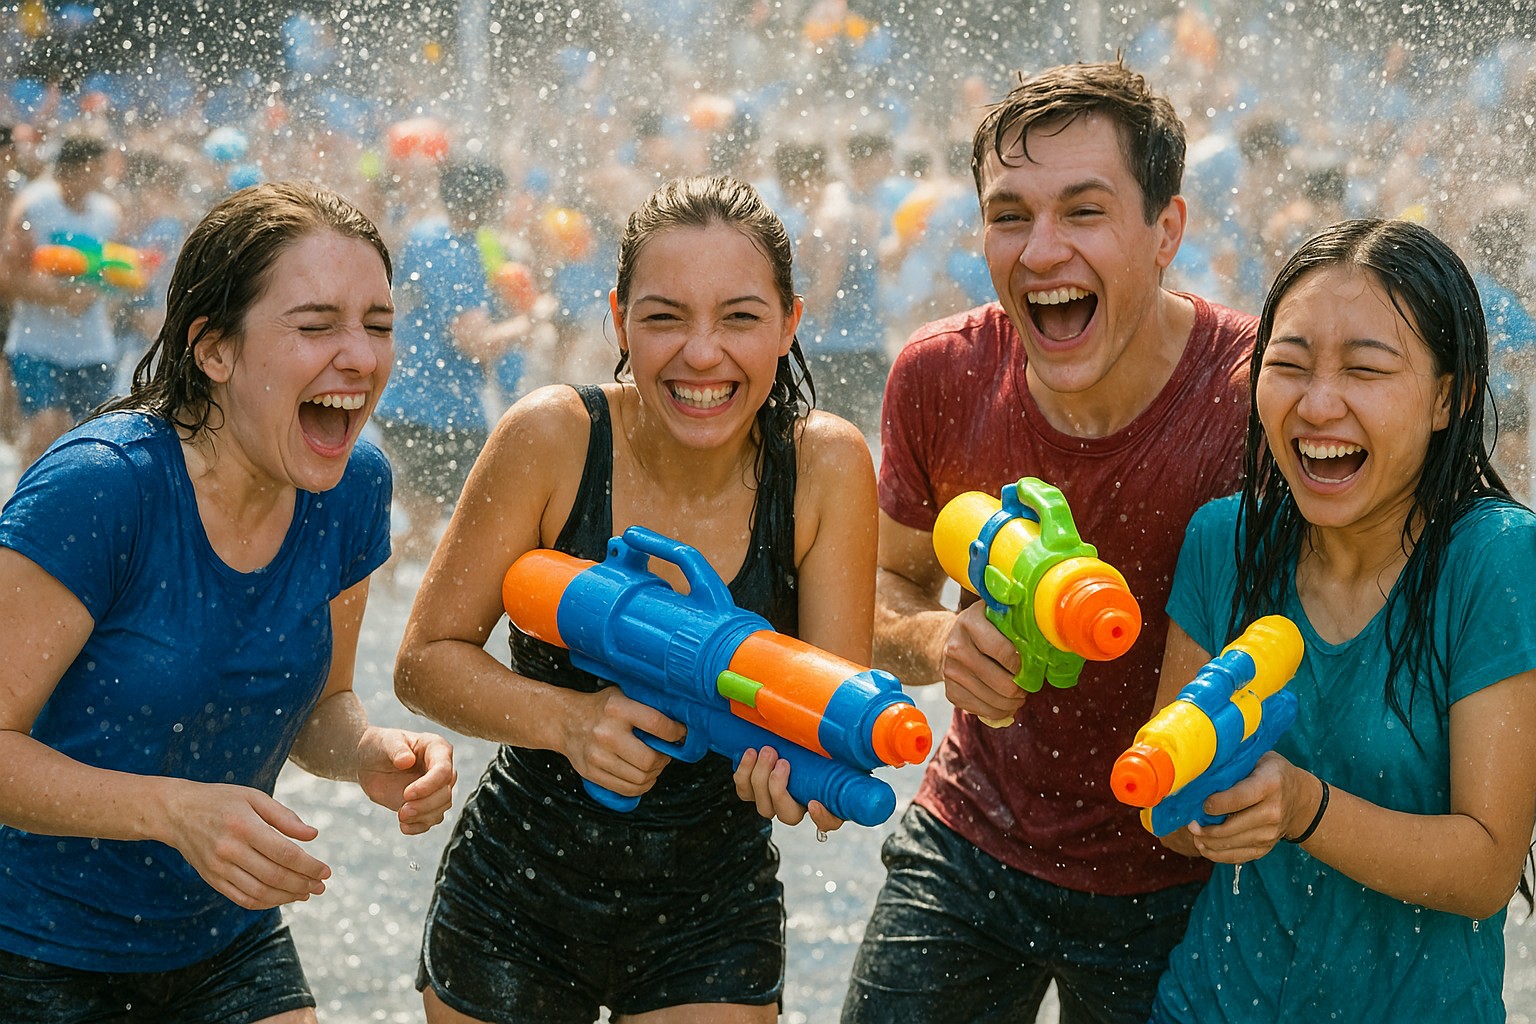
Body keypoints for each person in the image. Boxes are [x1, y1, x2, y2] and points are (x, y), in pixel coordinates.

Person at [395, 174, 878, 1023]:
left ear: (790, 323)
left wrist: (801, 784)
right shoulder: (551, 437)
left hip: (711, 909)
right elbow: (424, 663)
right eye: (664, 317)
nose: (701, 353)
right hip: (517, 895)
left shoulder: (825, 469)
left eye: (739, 317)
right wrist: (570, 724)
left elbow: (836, 733)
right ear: (618, 319)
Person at [841, 60, 1258, 1023]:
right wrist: (937, 645)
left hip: (1178, 876)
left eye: (1083, 210)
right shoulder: (940, 376)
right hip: (971, 842)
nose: (1040, 251)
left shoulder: (1252, 395)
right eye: (1009, 214)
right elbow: (879, 595)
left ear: (1166, 233)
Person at [0, 180, 457, 1023]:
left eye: (378, 325)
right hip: (33, 949)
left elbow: (325, 705)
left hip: (225, 941)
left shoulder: (351, 488)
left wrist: (368, 753)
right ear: (212, 348)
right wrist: (172, 811)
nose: (359, 355)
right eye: (316, 326)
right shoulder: (101, 491)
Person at [1148, 217, 1536, 1021]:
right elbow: (1167, 813)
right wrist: (1199, 805)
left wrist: (1300, 808)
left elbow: (1487, 868)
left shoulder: (1496, 560)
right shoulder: (1225, 541)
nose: (1318, 404)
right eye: (1287, 365)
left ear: (1449, 397)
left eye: (1366, 370)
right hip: (1208, 1006)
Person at [376, 158, 541, 567]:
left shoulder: (428, 235)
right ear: (488, 200)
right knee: (443, 528)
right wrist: (529, 323)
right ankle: (391, 597)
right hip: (440, 413)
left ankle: (382, 593)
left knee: (417, 520)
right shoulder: (456, 254)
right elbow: (475, 342)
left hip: (406, 399)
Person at [0, 134, 121, 469]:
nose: (102, 176)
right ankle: (21, 510)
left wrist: (99, 290)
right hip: (37, 344)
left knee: (88, 440)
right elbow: (7, 276)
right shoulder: (35, 207)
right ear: (72, 169)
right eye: (96, 168)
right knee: (45, 430)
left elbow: (116, 272)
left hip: (93, 348)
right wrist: (59, 296)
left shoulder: (107, 213)